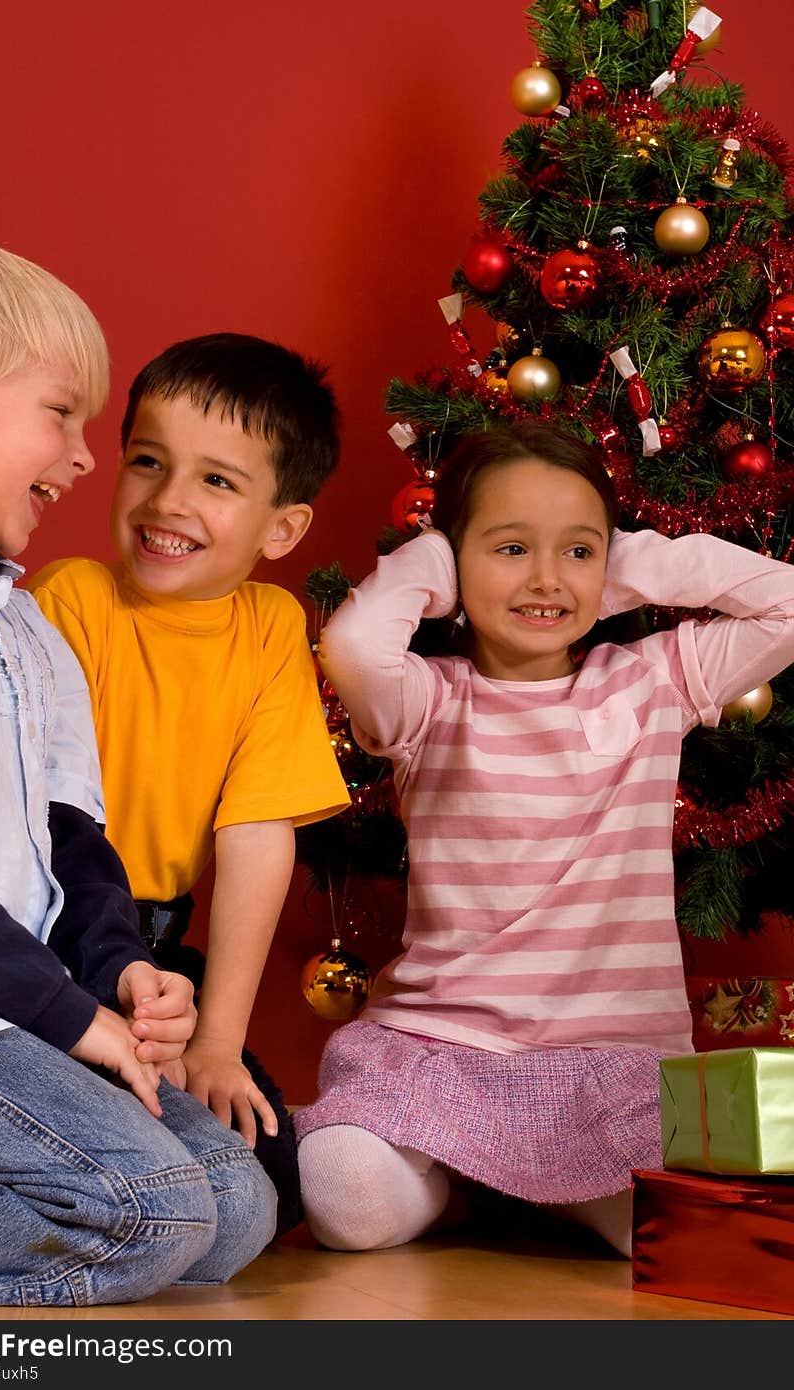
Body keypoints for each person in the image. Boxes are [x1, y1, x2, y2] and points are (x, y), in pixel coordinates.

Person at [294, 418, 794, 1258]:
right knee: (343, 1193)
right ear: (456, 563)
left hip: (615, 1066)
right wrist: (431, 562)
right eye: (511, 549)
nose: (547, 579)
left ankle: (539, 1199)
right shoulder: (427, 703)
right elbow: (351, 643)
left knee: (681, 1238)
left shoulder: (652, 680)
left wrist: (636, 563)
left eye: (577, 552)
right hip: (443, 1051)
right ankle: (459, 1189)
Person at [0, 234, 277, 1306]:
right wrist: (68, 1018)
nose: (82, 457)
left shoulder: (27, 627)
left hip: (9, 1012)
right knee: (149, 1212)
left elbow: (75, 845)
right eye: (60, 412)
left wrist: (117, 971)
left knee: (236, 1215)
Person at [28, 333, 350, 1237]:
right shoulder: (71, 599)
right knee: (146, 1173)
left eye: (217, 481)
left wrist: (215, 1040)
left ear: (282, 528)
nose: (167, 500)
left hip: (161, 958)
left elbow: (255, 833)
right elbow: (38, 821)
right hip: (55, 935)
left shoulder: (269, 626)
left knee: (277, 1183)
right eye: (148, 462)